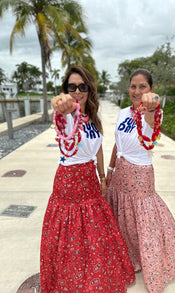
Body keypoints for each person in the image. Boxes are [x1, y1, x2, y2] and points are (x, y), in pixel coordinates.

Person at [40, 65, 135, 293]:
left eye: (82, 86)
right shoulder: (66, 117)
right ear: (65, 89)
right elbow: (60, 107)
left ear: (89, 89)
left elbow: (99, 149)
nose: (77, 91)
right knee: (71, 234)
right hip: (69, 182)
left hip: (90, 180)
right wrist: (61, 106)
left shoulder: (95, 117)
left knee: (93, 234)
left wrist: (102, 176)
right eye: (71, 87)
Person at [105, 69, 175, 293]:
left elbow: (152, 108)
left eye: (142, 87)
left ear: (151, 89)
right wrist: (110, 168)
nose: (137, 91)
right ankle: (130, 258)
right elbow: (118, 144)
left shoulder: (154, 113)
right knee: (123, 221)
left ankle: (151, 264)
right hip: (119, 175)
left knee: (144, 224)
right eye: (133, 87)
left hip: (140, 176)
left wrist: (151, 102)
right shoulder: (123, 113)